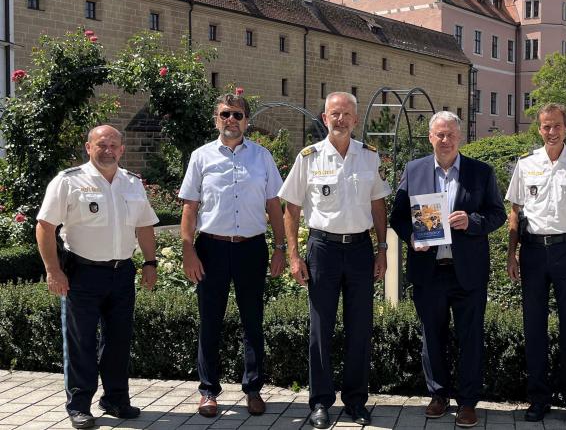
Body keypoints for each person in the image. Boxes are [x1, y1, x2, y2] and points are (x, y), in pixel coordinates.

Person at [278, 92, 390, 429]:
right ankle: (321, 402)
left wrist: (382, 248)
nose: (339, 120)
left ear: (356, 120)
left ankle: (356, 401)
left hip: (358, 250)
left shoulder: (369, 157)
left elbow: (378, 206)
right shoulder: (309, 157)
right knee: (320, 329)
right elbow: (291, 208)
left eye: (346, 115)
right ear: (324, 118)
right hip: (322, 249)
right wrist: (295, 255)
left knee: (360, 328)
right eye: (333, 114)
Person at [36, 125, 159, 429]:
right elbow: (45, 226)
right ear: (88, 147)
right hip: (82, 274)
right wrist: (53, 270)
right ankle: (79, 405)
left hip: (121, 273)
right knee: (81, 343)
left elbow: (144, 226)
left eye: (113, 145)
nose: (108, 150)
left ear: (122, 149)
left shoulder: (132, 183)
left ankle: (115, 399)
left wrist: (150, 263)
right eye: (101, 144)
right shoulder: (69, 181)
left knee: (118, 341)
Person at [389, 111, 506, 428]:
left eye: (451, 135)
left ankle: (468, 403)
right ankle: (438, 395)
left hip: (466, 271)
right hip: (429, 270)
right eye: (439, 134)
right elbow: (397, 216)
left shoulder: (480, 172)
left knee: (470, 338)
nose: (445, 140)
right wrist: (412, 236)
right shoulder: (414, 170)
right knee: (432, 336)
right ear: (430, 137)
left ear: (460, 138)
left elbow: (497, 214)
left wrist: (473, 221)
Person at [178, 93, 287, 418]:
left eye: (237, 115)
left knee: (253, 322)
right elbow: (190, 207)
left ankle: (253, 389)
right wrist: (188, 250)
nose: (231, 120)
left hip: (251, 248)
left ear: (246, 121)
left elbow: (274, 206)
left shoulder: (262, 157)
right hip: (211, 248)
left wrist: (280, 248)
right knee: (210, 322)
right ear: (216, 119)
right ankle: (208, 391)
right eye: (225, 114)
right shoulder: (201, 157)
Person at [505, 103, 566, 428]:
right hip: (533, 252)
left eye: (557, 126)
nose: (551, 132)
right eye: (546, 127)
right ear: (539, 128)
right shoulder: (526, 163)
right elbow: (515, 213)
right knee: (533, 328)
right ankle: (538, 399)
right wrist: (512, 253)